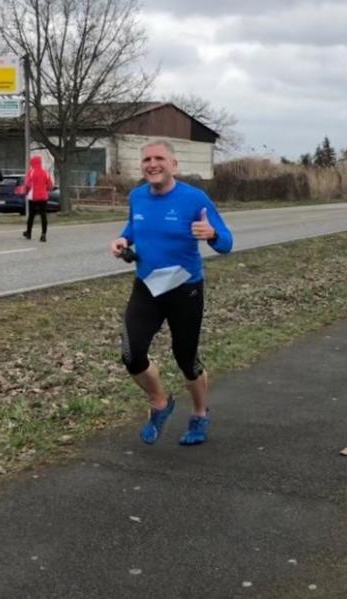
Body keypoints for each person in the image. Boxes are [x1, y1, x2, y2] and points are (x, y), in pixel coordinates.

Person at [110, 140, 233, 446]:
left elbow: (226, 243)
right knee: (131, 354)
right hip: (147, 286)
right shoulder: (137, 196)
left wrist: (212, 234)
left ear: (174, 165)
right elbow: (134, 227)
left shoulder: (194, 198)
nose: (152, 164)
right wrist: (123, 240)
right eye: (147, 159)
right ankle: (160, 402)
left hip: (184, 289)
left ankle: (200, 414)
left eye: (159, 158)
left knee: (186, 359)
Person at [23, 155, 53, 242]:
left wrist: (25, 191)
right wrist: (45, 189)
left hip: (33, 197)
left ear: (32, 163)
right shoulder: (45, 172)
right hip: (43, 196)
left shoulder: (31, 172)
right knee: (43, 215)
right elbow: (50, 186)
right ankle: (43, 234)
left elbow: (27, 185)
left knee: (31, 215)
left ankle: (29, 233)